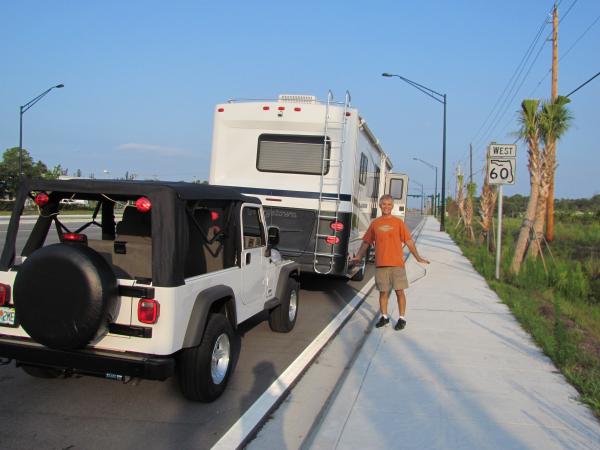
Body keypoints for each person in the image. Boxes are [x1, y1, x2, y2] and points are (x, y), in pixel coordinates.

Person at [352, 194, 429, 330]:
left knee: (400, 292)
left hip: (397, 265)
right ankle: (384, 317)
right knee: (383, 293)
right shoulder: (375, 223)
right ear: (380, 206)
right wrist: (358, 256)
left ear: (392, 206)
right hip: (381, 264)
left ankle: (401, 318)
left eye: (389, 204)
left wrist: (417, 257)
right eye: (384, 204)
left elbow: (409, 241)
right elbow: (366, 242)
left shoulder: (398, 223)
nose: (386, 206)